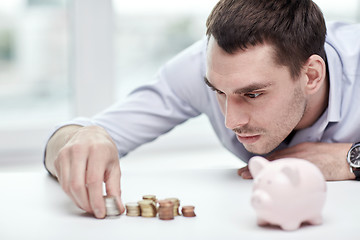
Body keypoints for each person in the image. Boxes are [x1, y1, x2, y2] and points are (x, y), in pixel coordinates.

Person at [44, 0, 360, 219]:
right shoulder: (205, 68)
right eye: (218, 93)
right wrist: (82, 139)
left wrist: (352, 158)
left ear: (311, 75)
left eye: (252, 94)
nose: (231, 121)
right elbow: (67, 138)